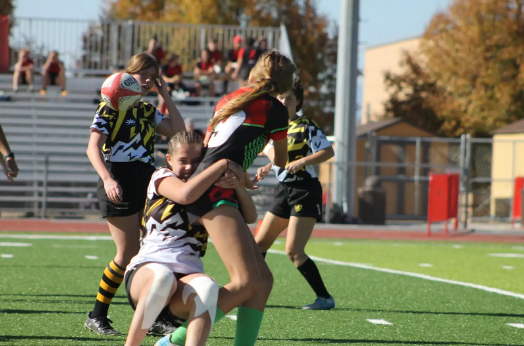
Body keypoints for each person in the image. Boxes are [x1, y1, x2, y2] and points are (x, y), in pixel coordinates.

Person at [163, 50, 296, 346]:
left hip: (212, 184)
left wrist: (242, 174)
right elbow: (283, 160)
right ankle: (173, 340)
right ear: (286, 82)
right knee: (246, 282)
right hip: (216, 192)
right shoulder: (275, 109)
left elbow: (214, 145)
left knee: (263, 282)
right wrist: (263, 153)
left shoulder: (230, 98)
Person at [85, 53, 185, 336]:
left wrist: (166, 94)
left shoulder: (147, 109)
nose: (149, 82)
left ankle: (151, 316)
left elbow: (178, 132)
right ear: (129, 74)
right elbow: (92, 147)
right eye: (144, 75)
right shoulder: (110, 108)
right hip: (118, 179)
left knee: (149, 251)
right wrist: (107, 179)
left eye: (153, 77)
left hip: (145, 180)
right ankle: (97, 315)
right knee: (127, 252)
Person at [124, 131, 256, 346]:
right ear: (169, 160)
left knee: (207, 286)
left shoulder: (208, 188)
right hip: (146, 275)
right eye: (183, 161)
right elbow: (185, 195)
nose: (189, 167)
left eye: (196, 161)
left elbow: (249, 217)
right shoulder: (162, 176)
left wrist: (238, 187)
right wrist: (223, 163)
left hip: (185, 282)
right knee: (162, 277)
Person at [255, 77, 336, 310]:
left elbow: (327, 151)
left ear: (297, 101)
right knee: (259, 244)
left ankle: (325, 298)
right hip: (283, 190)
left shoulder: (306, 125)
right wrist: (268, 167)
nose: (282, 101)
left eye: (288, 98)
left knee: (293, 251)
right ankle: (252, 289)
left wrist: (303, 161)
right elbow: (282, 158)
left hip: (304, 191)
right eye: (279, 97)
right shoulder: (275, 128)